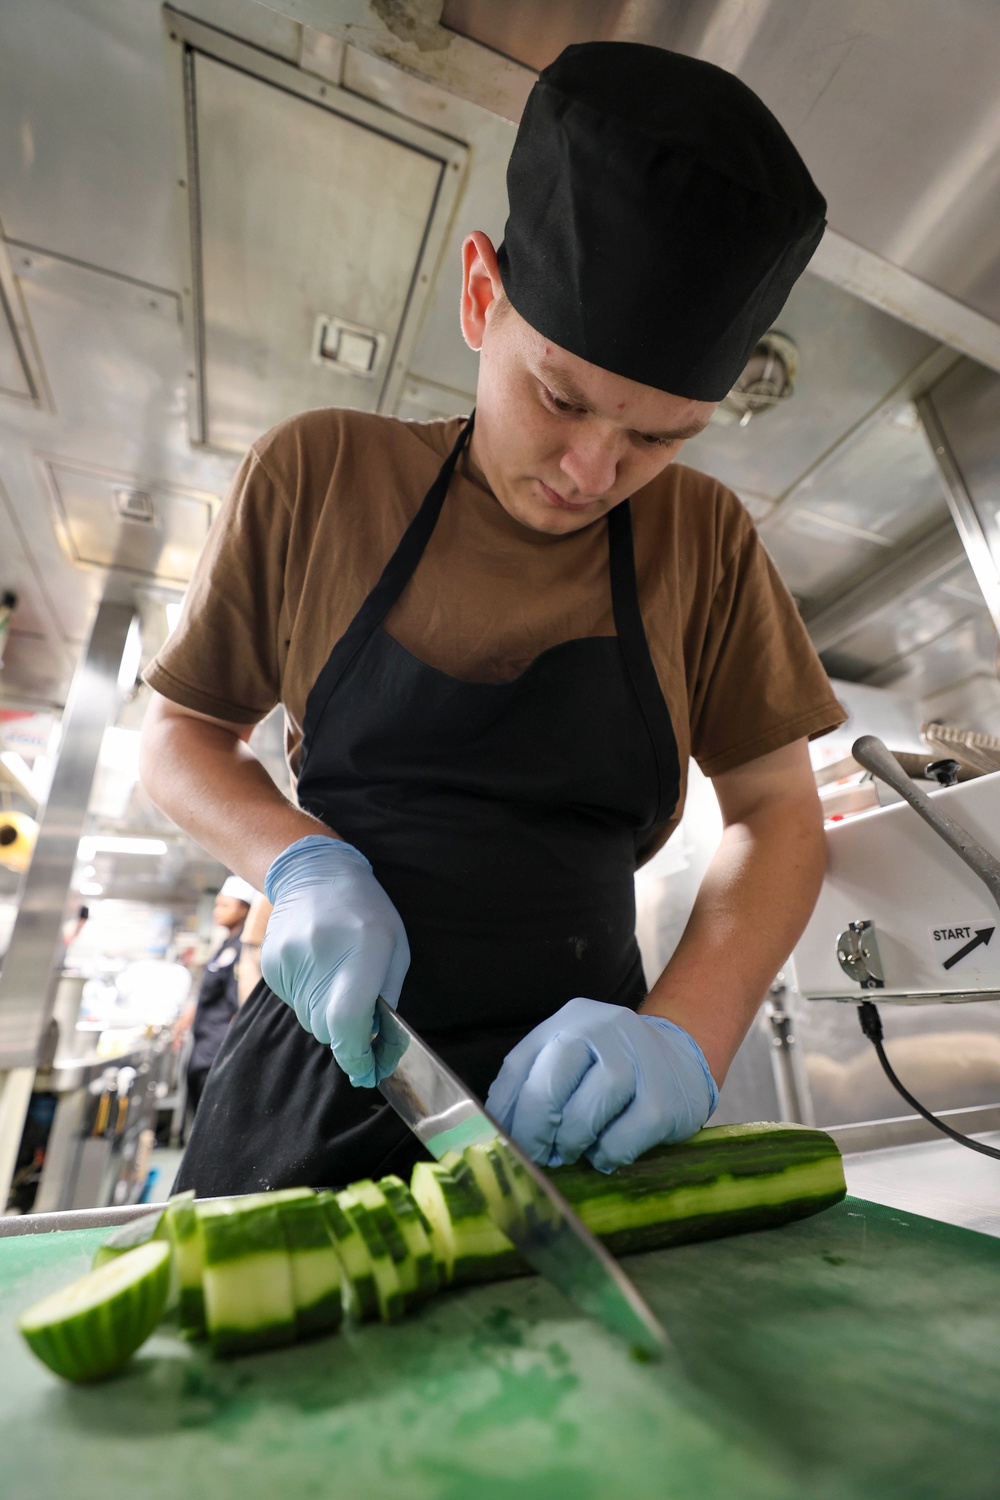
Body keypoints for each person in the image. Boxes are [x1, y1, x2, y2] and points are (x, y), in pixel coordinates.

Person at [139, 43, 845, 1196]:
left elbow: (776, 814)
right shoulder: (318, 472)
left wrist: (687, 1035)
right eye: (558, 398)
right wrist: (301, 864)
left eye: (659, 437)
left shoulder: (705, 540)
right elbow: (175, 740)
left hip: (580, 1109)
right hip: (319, 1079)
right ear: (480, 294)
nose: (592, 468)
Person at [172, 875, 257, 1115]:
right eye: (217, 904)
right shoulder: (225, 946)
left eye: (225, 905)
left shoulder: (244, 949)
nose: (216, 911)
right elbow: (209, 991)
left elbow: (241, 1003)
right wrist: (187, 1018)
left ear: (244, 910)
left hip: (218, 1049)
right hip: (203, 1044)